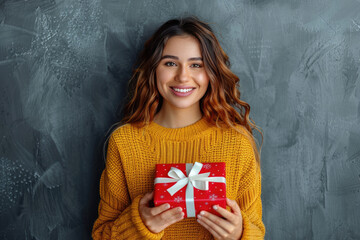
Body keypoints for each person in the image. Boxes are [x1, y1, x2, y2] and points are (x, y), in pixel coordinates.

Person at [92, 17, 265, 240]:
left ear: (212, 72)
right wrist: (139, 225)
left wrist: (240, 235)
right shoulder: (124, 142)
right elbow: (101, 235)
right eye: (170, 63)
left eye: (196, 65)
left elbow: (257, 231)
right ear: (153, 69)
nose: (183, 76)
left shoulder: (237, 143)